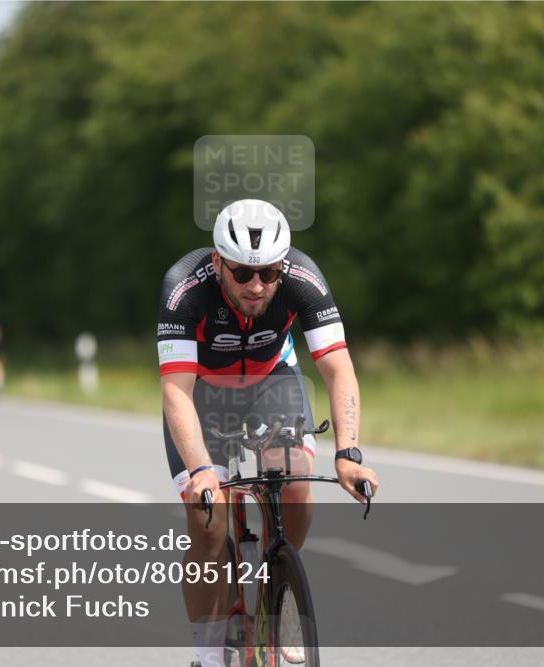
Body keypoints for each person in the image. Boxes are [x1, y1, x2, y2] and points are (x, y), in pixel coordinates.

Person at [158, 199, 379, 667]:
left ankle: (276, 584)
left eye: (269, 273)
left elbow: (339, 371)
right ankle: (208, 656)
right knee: (208, 520)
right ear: (217, 263)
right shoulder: (184, 287)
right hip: (202, 394)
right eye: (241, 274)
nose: (257, 286)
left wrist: (349, 452)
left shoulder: (303, 278)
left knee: (297, 480)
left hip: (271, 381)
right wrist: (200, 470)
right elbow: (176, 391)